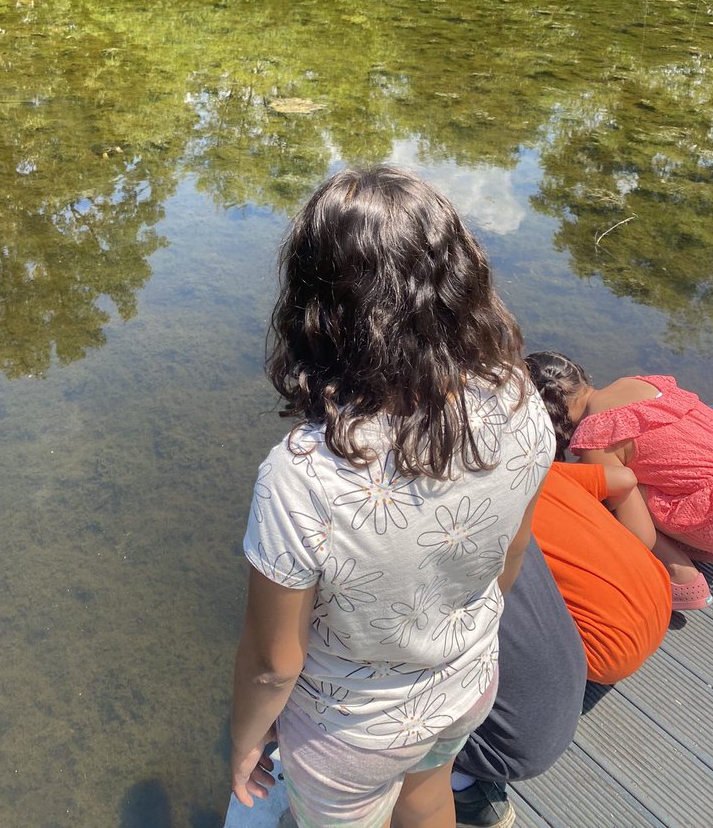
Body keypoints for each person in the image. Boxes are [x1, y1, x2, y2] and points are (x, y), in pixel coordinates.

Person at [231, 166, 554, 828]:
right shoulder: (518, 396)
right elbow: (509, 560)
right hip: (465, 679)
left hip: (352, 732)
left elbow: (272, 665)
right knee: (428, 792)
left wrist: (244, 742)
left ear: (318, 304)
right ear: (459, 279)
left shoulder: (303, 476)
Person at [450, 457, 672, 828]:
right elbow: (624, 479)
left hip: (597, 652)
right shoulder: (530, 464)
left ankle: (461, 784)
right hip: (658, 593)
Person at [525, 352, 713, 611]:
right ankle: (698, 544)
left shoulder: (595, 436)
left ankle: (680, 575)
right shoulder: (639, 383)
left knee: (606, 487)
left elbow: (641, 537)